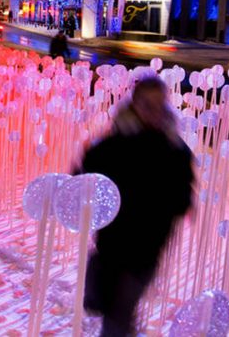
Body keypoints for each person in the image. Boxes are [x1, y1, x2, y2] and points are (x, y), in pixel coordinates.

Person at [78, 76, 194, 336]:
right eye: (146, 105)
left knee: (120, 311)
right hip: (113, 245)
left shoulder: (174, 150)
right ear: (135, 105)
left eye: (159, 105)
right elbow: (84, 177)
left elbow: (183, 194)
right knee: (117, 311)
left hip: (147, 249)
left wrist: (175, 204)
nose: (153, 112)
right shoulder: (113, 146)